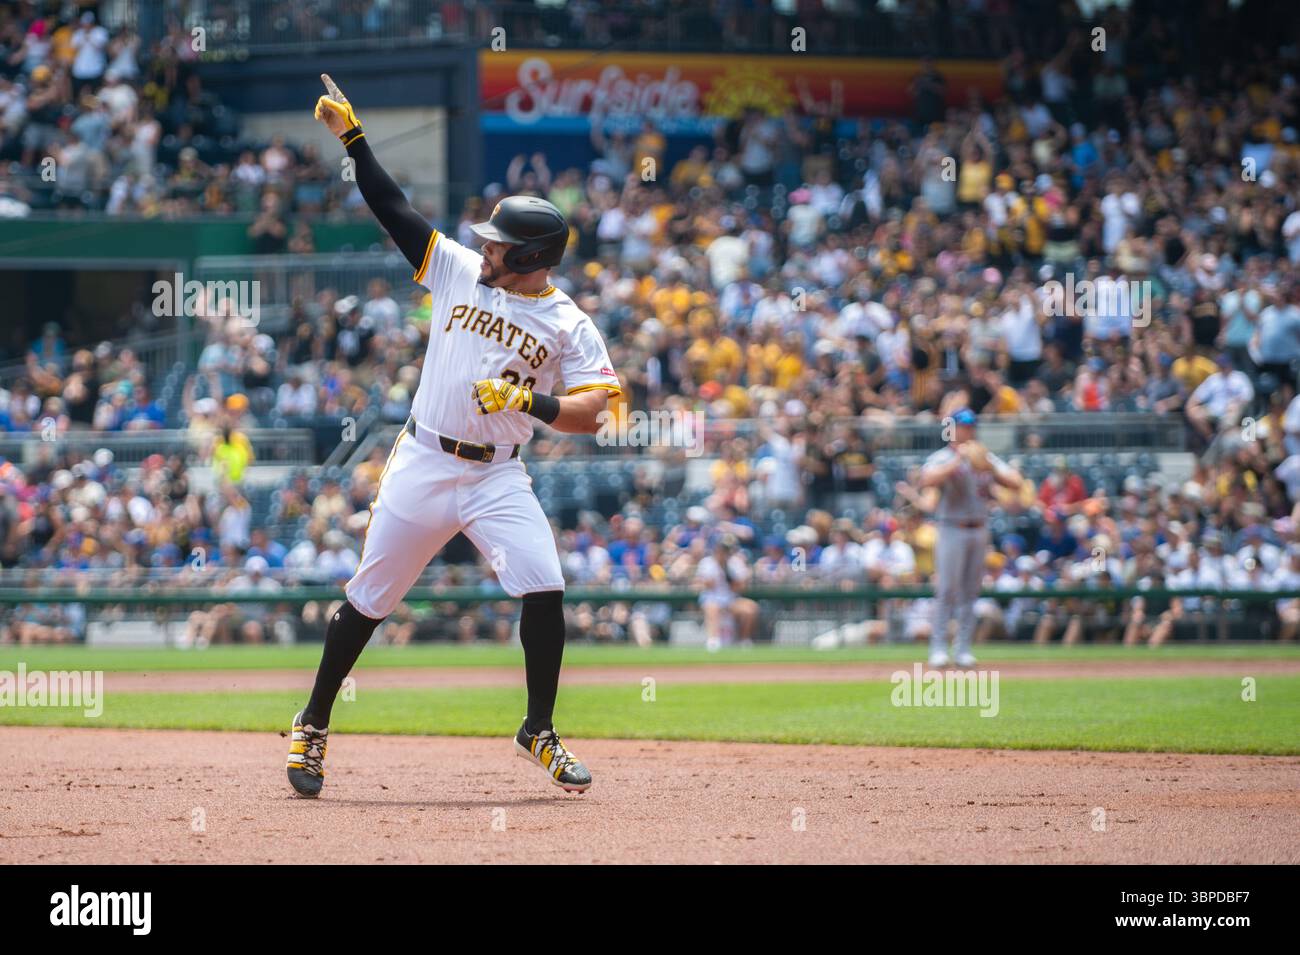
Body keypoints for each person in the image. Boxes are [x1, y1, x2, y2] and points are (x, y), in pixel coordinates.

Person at [287, 75, 621, 798]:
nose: (487, 246)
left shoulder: (566, 321)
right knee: (369, 597)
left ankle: (539, 728)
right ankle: (313, 721)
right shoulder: (458, 269)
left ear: (533, 259)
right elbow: (393, 208)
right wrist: (354, 138)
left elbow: (598, 409)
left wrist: (532, 399)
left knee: (546, 583)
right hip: (426, 459)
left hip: (498, 473)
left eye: (501, 243)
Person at [917, 408, 1023, 667]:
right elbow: (926, 479)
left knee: (970, 592)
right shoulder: (942, 456)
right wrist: (957, 461)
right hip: (951, 527)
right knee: (947, 589)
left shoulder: (984, 456)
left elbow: (1016, 482)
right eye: (964, 425)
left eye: (971, 425)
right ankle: (938, 648)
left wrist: (990, 468)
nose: (969, 430)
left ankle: (963, 649)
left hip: (979, 527)